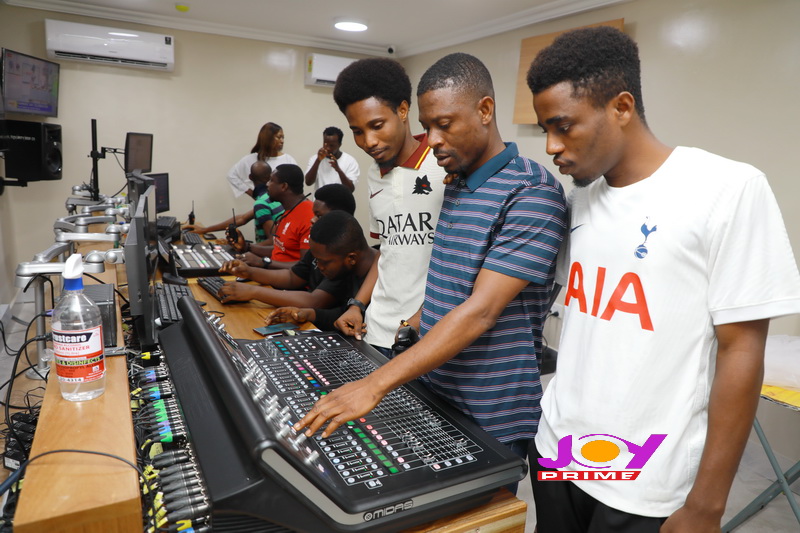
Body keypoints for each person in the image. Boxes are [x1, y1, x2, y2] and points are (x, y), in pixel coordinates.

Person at [526, 26, 800, 532]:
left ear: (621, 107)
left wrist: (707, 504)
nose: (551, 146)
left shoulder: (727, 189)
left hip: (643, 476)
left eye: (563, 126)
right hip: (557, 452)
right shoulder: (581, 197)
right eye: (546, 129)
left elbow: (742, 350)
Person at [294, 53, 567, 496]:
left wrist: (375, 384)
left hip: (489, 409)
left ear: (485, 110)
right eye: (428, 126)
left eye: (444, 124)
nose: (433, 140)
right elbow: (451, 281)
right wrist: (413, 321)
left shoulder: (531, 191)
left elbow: (481, 311)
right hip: (435, 386)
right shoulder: (456, 181)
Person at [330, 57, 447, 356]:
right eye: (357, 131)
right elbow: (386, 250)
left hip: (423, 333)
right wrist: (357, 305)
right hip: (375, 330)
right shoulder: (373, 174)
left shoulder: (443, 163)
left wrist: (418, 321)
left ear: (403, 110)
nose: (368, 141)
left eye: (377, 125)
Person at [218, 184, 362, 309]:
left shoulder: (342, 255)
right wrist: (249, 272)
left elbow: (314, 301)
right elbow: (292, 277)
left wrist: (253, 292)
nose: (312, 220)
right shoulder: (320, 243)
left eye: (319, 216)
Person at [264, 211, 378, 331]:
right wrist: (307, 314)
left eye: (324, 262)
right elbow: (343, 315)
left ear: (351, 258)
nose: (318, 266)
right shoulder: (348, 267)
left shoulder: (383, 278)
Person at [233, 164, 313, 269]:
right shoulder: (288, 211)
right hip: (274, 274)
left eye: (271, 180)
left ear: (284, 186)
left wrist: (262, 262)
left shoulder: (309, 217)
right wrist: (246, 246)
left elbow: (305, 267)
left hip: (285, 278)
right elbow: (280, 250)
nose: (267, 184)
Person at [184, 161, 283, 243]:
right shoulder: (273, 199)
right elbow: (242, 218)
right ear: (270, 176)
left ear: (250, 177)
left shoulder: (262, 203)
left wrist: (245, 247)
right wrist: (205, 229)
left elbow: (273, 241)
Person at [227, 122, 297, 198]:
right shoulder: (251, 159)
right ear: (268, 138)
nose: (282, 141)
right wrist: (253, 193)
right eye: (278, 137)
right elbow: (232, 175)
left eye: (283, 137)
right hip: (263, 203)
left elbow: (296, 183)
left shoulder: (288, 159)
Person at [304, 126, 360, 192]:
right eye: (325, 144)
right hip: (320, 198)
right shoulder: (315, 159)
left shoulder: (350, 161)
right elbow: (308, 182)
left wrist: (338, 169)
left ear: (339, 145)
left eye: (331, 145)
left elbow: (350, 189)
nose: (327, 148)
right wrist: (318, 161)